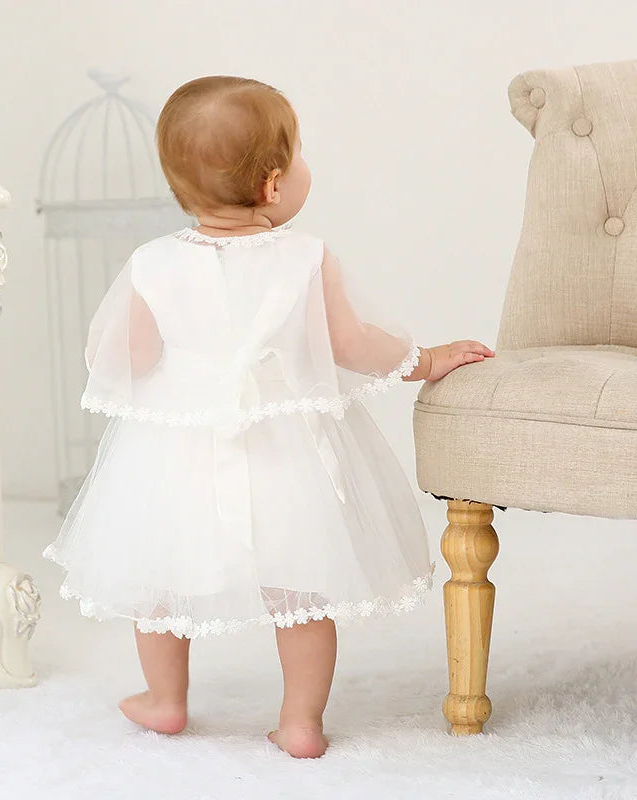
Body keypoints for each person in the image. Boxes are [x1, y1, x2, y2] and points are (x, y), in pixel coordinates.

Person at [43, 76, 494, 759]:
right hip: (287, 456)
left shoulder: (153, 263)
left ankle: (165, 701)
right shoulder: (307, 257)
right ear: (274, 186)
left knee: (158, 585)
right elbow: (353, 345)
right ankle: (301, 723)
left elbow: (128, 355)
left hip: (178, 457)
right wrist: (425, 359)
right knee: (302, 593)